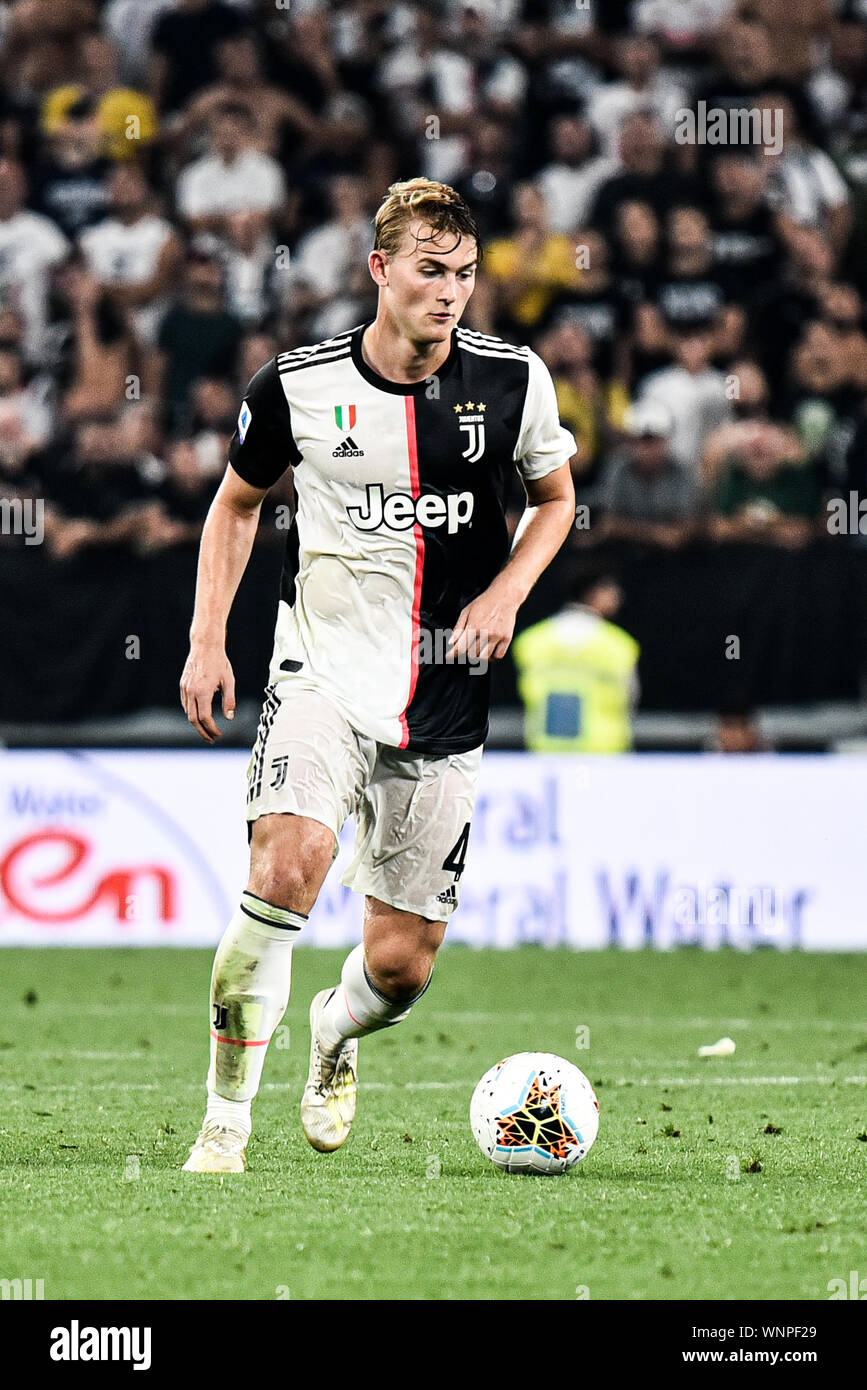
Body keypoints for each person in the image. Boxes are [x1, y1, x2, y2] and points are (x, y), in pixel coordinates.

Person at [178, 177, 577, 1173]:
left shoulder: (514, 381)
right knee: (284, 872)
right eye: (432, 272)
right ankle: (225, 1121)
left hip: (444, 694)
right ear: (381, 270)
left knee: (399, 968)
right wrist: (205, 638)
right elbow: (236, 504)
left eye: (466, 276)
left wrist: (508, 592)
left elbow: (558, 500)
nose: (451, 294)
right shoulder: (297, 386)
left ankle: (333, 1032)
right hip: (320, 670)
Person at [512, 566, 640, 753]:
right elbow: (630, 697)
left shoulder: (532, 641)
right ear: (594, 593)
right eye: (611, 590)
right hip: (604, 751)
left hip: (546, 749)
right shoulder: (617, 645)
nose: (618, 598)